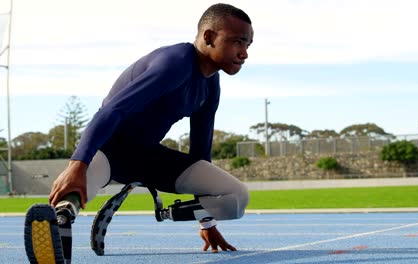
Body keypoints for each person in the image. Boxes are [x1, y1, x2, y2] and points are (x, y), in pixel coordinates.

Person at [24, 3, 253, 263]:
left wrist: (206, 220)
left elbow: (200, 153)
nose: (244, 53)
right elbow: (112, 111)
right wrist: (77, 165)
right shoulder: (174, 63)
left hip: (148, 157)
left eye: (248, 45)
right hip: (110, 149)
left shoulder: (211, 86)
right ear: (209, 37)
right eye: (237, 42)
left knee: (236, 198)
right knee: (73, 191)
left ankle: (166, 213)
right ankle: (59, 221)